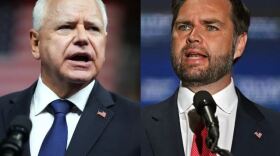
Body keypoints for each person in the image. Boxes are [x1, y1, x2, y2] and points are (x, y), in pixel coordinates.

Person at [0, 0, 140, 156]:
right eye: (66, 27)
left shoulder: (139, 124)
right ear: (35, 43)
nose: (83, 38)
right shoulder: (3, 111)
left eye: (93, 28)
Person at [141, 0, 280, 156]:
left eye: (211, 27)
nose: (193, 36)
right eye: (184, 26)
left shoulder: (276, 130)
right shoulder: (135, 126)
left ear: (239, 44)